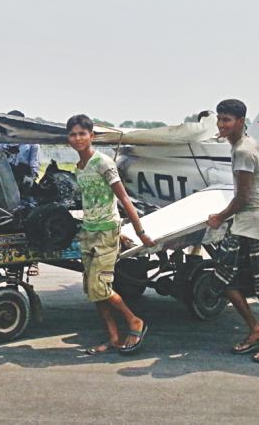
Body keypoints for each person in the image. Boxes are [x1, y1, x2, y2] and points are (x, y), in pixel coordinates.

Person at [206, 99, 259, 364]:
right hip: (243, 222)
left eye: (227, 120)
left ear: (241, 121)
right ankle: (256, 328)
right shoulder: (247, 143)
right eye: (219, 119)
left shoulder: (243, 150)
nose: (221, 124)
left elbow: (242, 198)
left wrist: (219, 217)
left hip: (258, 223)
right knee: (223, 278)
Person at [66, 114, 155, 355]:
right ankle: (114, 336)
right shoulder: (79, 168)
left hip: (106, 231)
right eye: (73, 134)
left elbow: (124, 198)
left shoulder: (103, 162)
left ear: (91, 136)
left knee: (101, 288)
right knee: (92, 290)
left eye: (82, 134)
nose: (78, 138)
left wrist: (140, 232)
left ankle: (134, 321)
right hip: (88, 232)